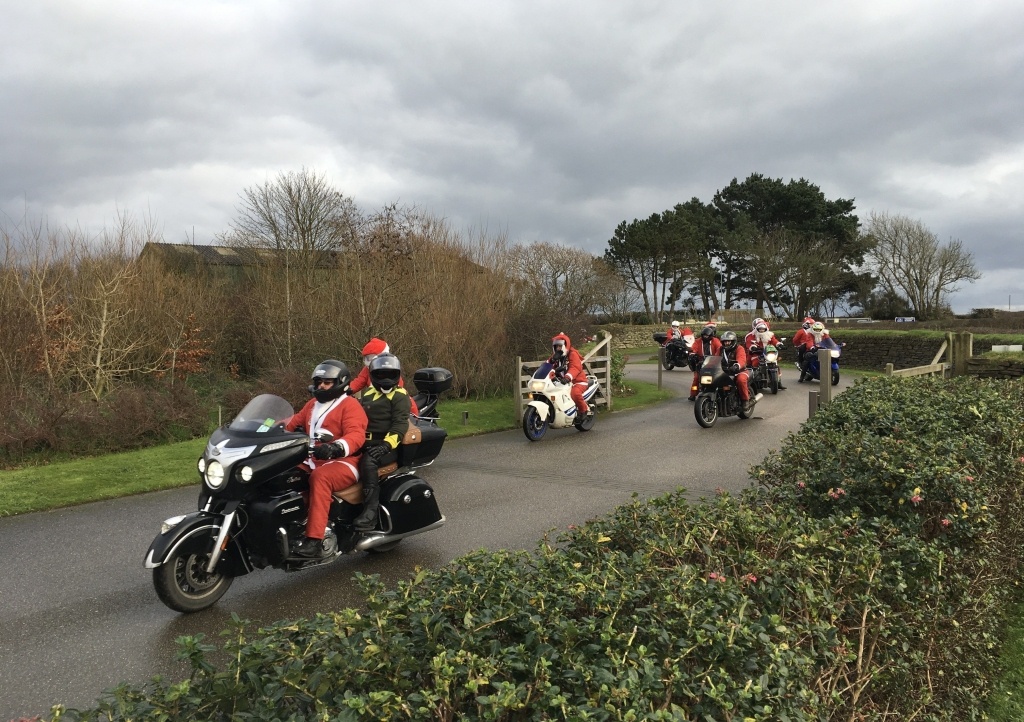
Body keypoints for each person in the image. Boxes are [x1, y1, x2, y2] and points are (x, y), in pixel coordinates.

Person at [283, 359, 368, 557]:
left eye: (326, 382)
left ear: (340, 382)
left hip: (345, 461)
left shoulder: (350, 405)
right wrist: (263, 428)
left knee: (320, 478)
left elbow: (356, 434)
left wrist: (336, 447)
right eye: (318, 381)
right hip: (313, 459)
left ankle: (314, 539)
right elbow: (291, 422)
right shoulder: (312, 404)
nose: (320, 386)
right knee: (281, 473)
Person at [352, 353, 412, 531]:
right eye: (380, 374)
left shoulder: (400, 395)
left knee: (368, 462)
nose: (385, 379)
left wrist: (386, 445)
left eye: (390, 374)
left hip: (385, 446)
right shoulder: (369, 392)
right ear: (372, 375)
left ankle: (370, 512)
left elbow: (400, 424)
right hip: (364, 441)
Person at [350, 337, 419, 415]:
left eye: (372, 357)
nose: (370, 361)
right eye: (368, 358)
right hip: (374, 398)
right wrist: (345, 390)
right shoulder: (367, 369)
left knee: (406, 401)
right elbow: (359, 381)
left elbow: (397, 386)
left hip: (389, 397)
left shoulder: (391, 369)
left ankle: (415, 419)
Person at [549, 332, 591, 418]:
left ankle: (583, 411)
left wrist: (568, 377)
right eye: (556, 346)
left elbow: (575, 367)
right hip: (563, 381)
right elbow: (547, 365)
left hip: (578, 381)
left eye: (560, 346)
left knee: (575, 393)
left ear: (565, 345)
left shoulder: (572, 354)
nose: (558, 348)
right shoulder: (556, 356)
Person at [744, 320, 786, 390]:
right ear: (756, 329)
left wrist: (779, 344)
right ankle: (755, 380)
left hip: (768, 353)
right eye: (760, 329)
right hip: (756, 353)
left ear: (766, 329)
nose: (761, 330)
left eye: (763, 329)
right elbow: (749, 343)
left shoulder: (770, 335)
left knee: (776, 365)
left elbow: (774, 341)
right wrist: (753, 347)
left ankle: (778, 382)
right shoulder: (751, 335)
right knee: (755, 363)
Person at [688, 322, 722, 401]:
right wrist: (692, 354)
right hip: (701, 363)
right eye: (704, 335)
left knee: (719, 377)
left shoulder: (715, 341)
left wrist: (718, 356)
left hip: (714, 363)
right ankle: (693, 394)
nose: (705, 337)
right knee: (696, 378)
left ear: (711, 336)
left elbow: (720, 348)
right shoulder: (698, 341)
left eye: (707, 336)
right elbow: (694, 349)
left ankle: (720, 392)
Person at [718, 330, 752, 408]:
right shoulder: (720, 349)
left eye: (728, 341)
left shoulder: (739, 348)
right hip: (725, 372)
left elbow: (742, 359)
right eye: (725, 341)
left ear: (733, 341)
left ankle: (745, 400)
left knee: (741, 380)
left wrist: (737, 365)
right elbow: (715, 358)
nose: (726, 343)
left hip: (739, 371)